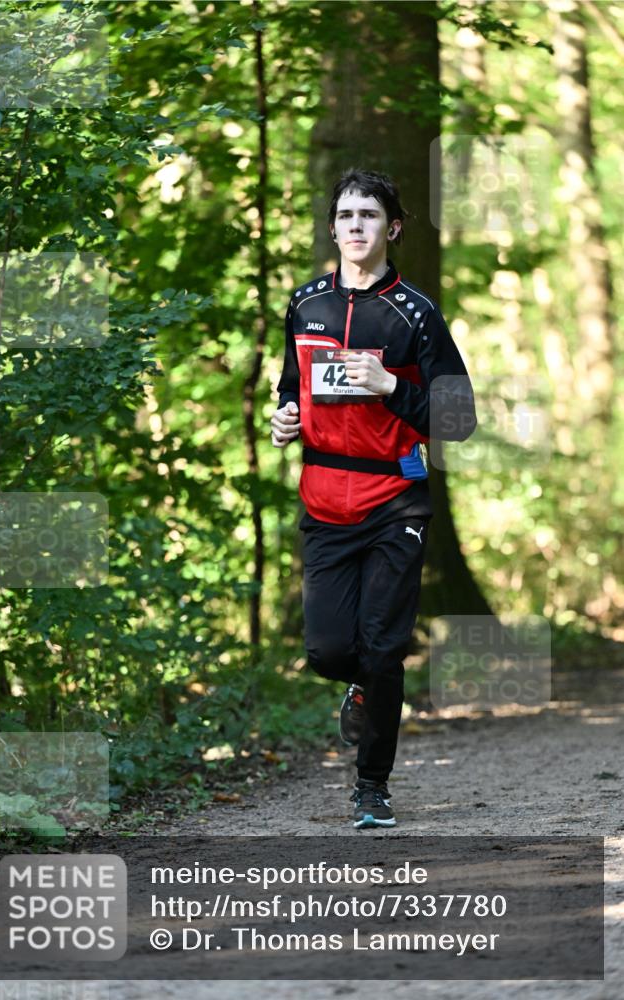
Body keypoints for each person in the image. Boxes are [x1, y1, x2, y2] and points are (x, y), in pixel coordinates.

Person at [271, 168, 476, 829]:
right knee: (329, 652)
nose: (355, 225)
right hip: (324, 497)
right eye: (344, 215)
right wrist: (282, 417)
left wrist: (391, 385)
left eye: (368, 215)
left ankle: (371, 787)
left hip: (396, 495)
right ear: (331, 228)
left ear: (392, 228)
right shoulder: (305, 306)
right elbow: (289, 389)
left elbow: (458, 417)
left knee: (383, 647)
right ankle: (360, 687)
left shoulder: (415, 314)